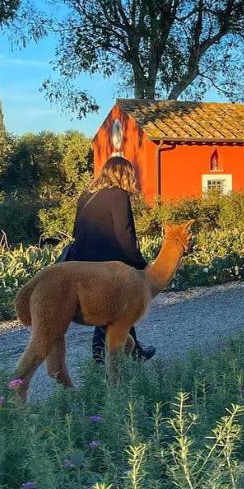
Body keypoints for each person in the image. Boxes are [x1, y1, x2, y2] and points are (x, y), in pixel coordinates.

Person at [67, 156, 156, 364]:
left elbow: (75, 233)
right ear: (124, 174)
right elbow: (124, 235)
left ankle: (130, 351)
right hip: (109, 267)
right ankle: (105, 362)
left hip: (83, 267)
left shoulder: (85, 196)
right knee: (113, 312)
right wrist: (141, 265)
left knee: (113, 312)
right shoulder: (118, 195)